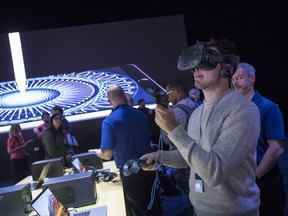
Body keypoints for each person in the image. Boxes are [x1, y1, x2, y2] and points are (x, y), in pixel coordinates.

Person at [141, 39, 261, 216]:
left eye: (206, 61)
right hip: (200, 210)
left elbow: (214, 172)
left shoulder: (244, 110)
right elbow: (193, 158)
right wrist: (160, 157)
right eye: (195, 64)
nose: (196, 68)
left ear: (226, 68)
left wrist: (174, 130)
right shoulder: (197, 113)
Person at [94, 86, 160, 216]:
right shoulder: (141, 114)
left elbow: (107, 155)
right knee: (153, 204)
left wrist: (96, 152)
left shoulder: (109, 121)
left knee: (138, 209)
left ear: (109, 101)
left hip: (131, 172)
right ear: (124, 96)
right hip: (150, 166)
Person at [232, 62, 286, 216]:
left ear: (252, 79)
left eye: (240, 77)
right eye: (234, 79)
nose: (235, 82)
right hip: (242, 180)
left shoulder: (268, 107)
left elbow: (276, 148)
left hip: (263, 179)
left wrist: (255, 176)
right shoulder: (234, 109)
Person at [157, 80, 197, 216]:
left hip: (183, 158)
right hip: (198, 156)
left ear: (177, 91)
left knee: (191, 194)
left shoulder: (176, 111)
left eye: (168, 93)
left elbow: (168, 138)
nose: (167, 96)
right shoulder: (195, 104)